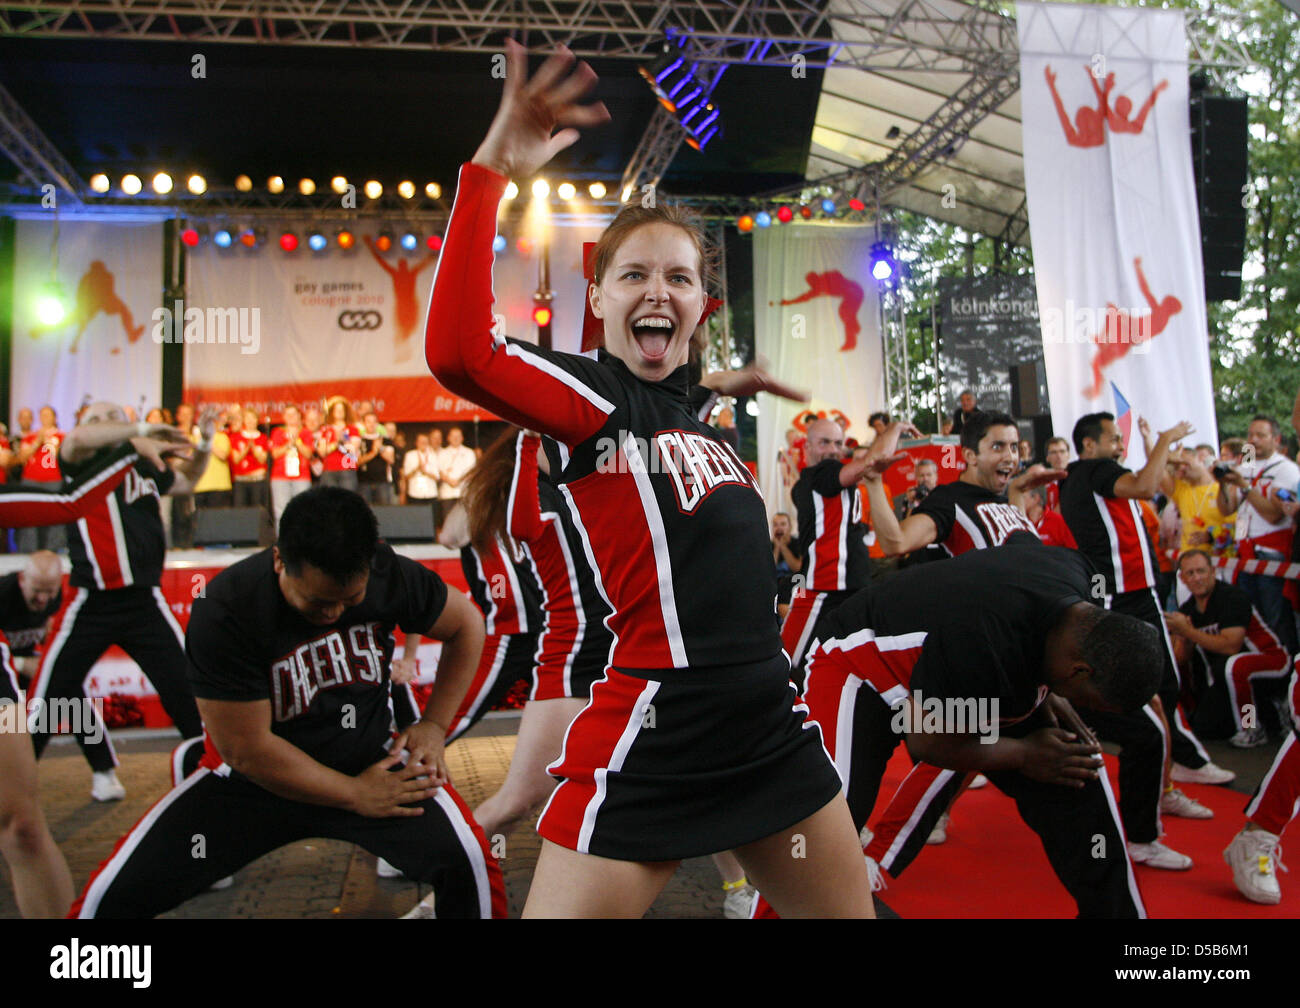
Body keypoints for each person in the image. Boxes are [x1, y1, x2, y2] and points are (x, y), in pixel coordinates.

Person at [424, 41, 872, 918]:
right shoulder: (591, 398)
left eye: (679, 277)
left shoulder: (692, 412)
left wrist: (727, 384)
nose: (656, 290)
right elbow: (459, 352)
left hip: (768, 726)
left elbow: (680, 408)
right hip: (652, 733)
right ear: (597, 300)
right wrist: (492, 170)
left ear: (703, 304)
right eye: (632, 275)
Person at [71, 486, 505, 918]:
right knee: (107, 902)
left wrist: (433, 725)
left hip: (368, 765)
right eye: (317, 603)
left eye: (349, 600)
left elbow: (466, 624)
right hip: (255, 784)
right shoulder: (227, 607)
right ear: (279, 559)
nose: (334, 614)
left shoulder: (386, 571)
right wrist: (353, 794)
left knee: (467, 863)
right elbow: (247, 750)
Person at [764, 532, 1162, 918]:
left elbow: (1019, 544)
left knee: (1075, 771)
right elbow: (928, 742)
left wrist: (1051, 694)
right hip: (858, 664)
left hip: (956, 668)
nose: (1087, 710)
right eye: (1092, 702)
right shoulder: (983, 644)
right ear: (1079, 670)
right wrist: (1024, 754)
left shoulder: (1081, 581)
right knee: (828, 823)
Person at [0, 430, 181, 918]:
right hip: (88, 606)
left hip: (4, 683)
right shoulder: (81, 453)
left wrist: (135, 446)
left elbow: (69, 502)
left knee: (22, 825)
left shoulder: (125, 470)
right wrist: (133, 442)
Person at [26, 405, 216, 802]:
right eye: (103, 416)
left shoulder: (139, 464)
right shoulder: (82, 460)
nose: (112, 420)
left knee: (188, 695)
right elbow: (78, 438)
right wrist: (138, 430)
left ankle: (218, 790)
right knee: (44, 704)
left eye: (118, 414)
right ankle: (12, 792)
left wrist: (206, 441)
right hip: (90, 600)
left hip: (144, 600)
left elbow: (188, 482)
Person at [1059, 412, 1220, 868]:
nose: (1118, 446)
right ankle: (1154, 800)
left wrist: (1158, 447)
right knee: (1147, 704)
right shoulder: (1093, 469)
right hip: (1121, 598)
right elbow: (1147, 487)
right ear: (1088, 445)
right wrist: (1166, 438)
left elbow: (1157, 485)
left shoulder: (1093, 474)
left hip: (1134, 593)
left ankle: (1166, 781)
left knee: (1160, 696)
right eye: (1113, 439)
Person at [781, 416, 911, 683]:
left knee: (856, 669)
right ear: (806, 447)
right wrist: (895, 427)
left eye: (838, 443)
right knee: (784, 665)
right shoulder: (820, 474)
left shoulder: (826, 478)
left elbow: (866, 466)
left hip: (852, 586)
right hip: (822, 589)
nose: (832, 449)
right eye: (824, 442)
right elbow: (871, 462)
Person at [1166, 549, 1291, 748]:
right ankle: (1273, 711)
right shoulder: (1188, 609)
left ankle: (1251, 727)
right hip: (1226, 674)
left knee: (1234, 666)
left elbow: (1231, 646)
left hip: (1272, 661)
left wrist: (1188, 631)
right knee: (1205, 727)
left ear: (1213, 572)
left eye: (1201, 571)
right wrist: (1182, 635)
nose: (1197, 578)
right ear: (1182, 578)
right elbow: (1181, 659)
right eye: (1190, 573)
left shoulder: (1231, 597)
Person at [1216, 415, 1300, 656]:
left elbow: (1275, 515)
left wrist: (1244, 485)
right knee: (1253, 620)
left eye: (1260, 435)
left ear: (1276, 439)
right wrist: (1222, 483)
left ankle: (1286, 674)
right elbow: (1226, 509)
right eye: (1250, 434)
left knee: (1276, 619)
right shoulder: (1247, 465)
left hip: (1271, 553)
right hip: (1245, 552)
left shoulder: (1286, 469)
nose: (1253, 440)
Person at [1223, 658, 1299, 904]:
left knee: (1237, 669)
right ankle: (1250, 728)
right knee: (1236, 669)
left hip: (1275, 659)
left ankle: (1251, 728)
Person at [0, 551, 64, 690]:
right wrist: (20, 664)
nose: (42, 599)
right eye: (36, 590)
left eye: (49, 591)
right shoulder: (4, 594)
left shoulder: (58, 597)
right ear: (22, 580)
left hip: (22, 665)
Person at [15, 406, 65, 554]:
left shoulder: (62, 436)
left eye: (48, 415)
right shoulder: (31, 437)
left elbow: (61, 456)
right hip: (31, 480)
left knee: (54, 516)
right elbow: (21, 458)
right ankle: (28, 549)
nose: (45, 418)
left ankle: (54, 549)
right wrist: (38, 441)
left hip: (53, 480)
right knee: (29, 516)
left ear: (55, 418)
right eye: (42, 415)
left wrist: (49, 440)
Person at [269, 405, 314, 530]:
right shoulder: (277, 432)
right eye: (287, 414)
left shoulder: (305, 433)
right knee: (281, 511)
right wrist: (288, 443)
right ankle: (282, 542)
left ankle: (302, 542)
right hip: (280, 476)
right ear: (283, 417)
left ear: (299, 416)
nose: (290, 417)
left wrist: (297, 440)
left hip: (301, 477)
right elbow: (275, 454)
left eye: (293, 414)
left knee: (303, 510)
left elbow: (308, 453)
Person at [316, 397, 362, 491]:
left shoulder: (353, 429)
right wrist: (336, 443)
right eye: (337, 409)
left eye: (342, 409)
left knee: (347, 499)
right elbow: (322, 452)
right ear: (332, 411)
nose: (339, 412)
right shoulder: (325, 429)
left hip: (347, 469)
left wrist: (343, 441)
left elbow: (352, 451)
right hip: (329, 469)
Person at [437, 426, 477, 530]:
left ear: (462, 438)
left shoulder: (469, 452)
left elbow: (471, 471)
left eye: (458, 436)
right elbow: (440, 471)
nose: (455, 438)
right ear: (448, 438)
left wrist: (458, 481)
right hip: (447, 493)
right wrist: (450, 481)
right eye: (453, 436)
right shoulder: (442, 453)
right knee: (448, 519)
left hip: (464, 492)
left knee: (464, 520)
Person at [357, 411, 397, 506]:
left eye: (374, 422)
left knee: (384, 512)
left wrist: (380, 449)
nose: (371, 424)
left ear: (377, 424)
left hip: (382, 482)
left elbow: (391, 460)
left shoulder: (386, 440)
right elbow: (356, 462)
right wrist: (373, 453)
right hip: (364, 482)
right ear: (363, 423)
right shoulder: (359, 440)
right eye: (368, 421)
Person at [771, 512, 800, 621]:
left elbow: (797, 568)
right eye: (776, 525)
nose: (779, 528)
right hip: (776, 583)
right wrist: (777, 549)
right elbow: (769, 570)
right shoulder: (769, 546)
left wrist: (783, 547)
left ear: (790, 526)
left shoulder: (797, 543)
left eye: (783, 524)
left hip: (796, 582)